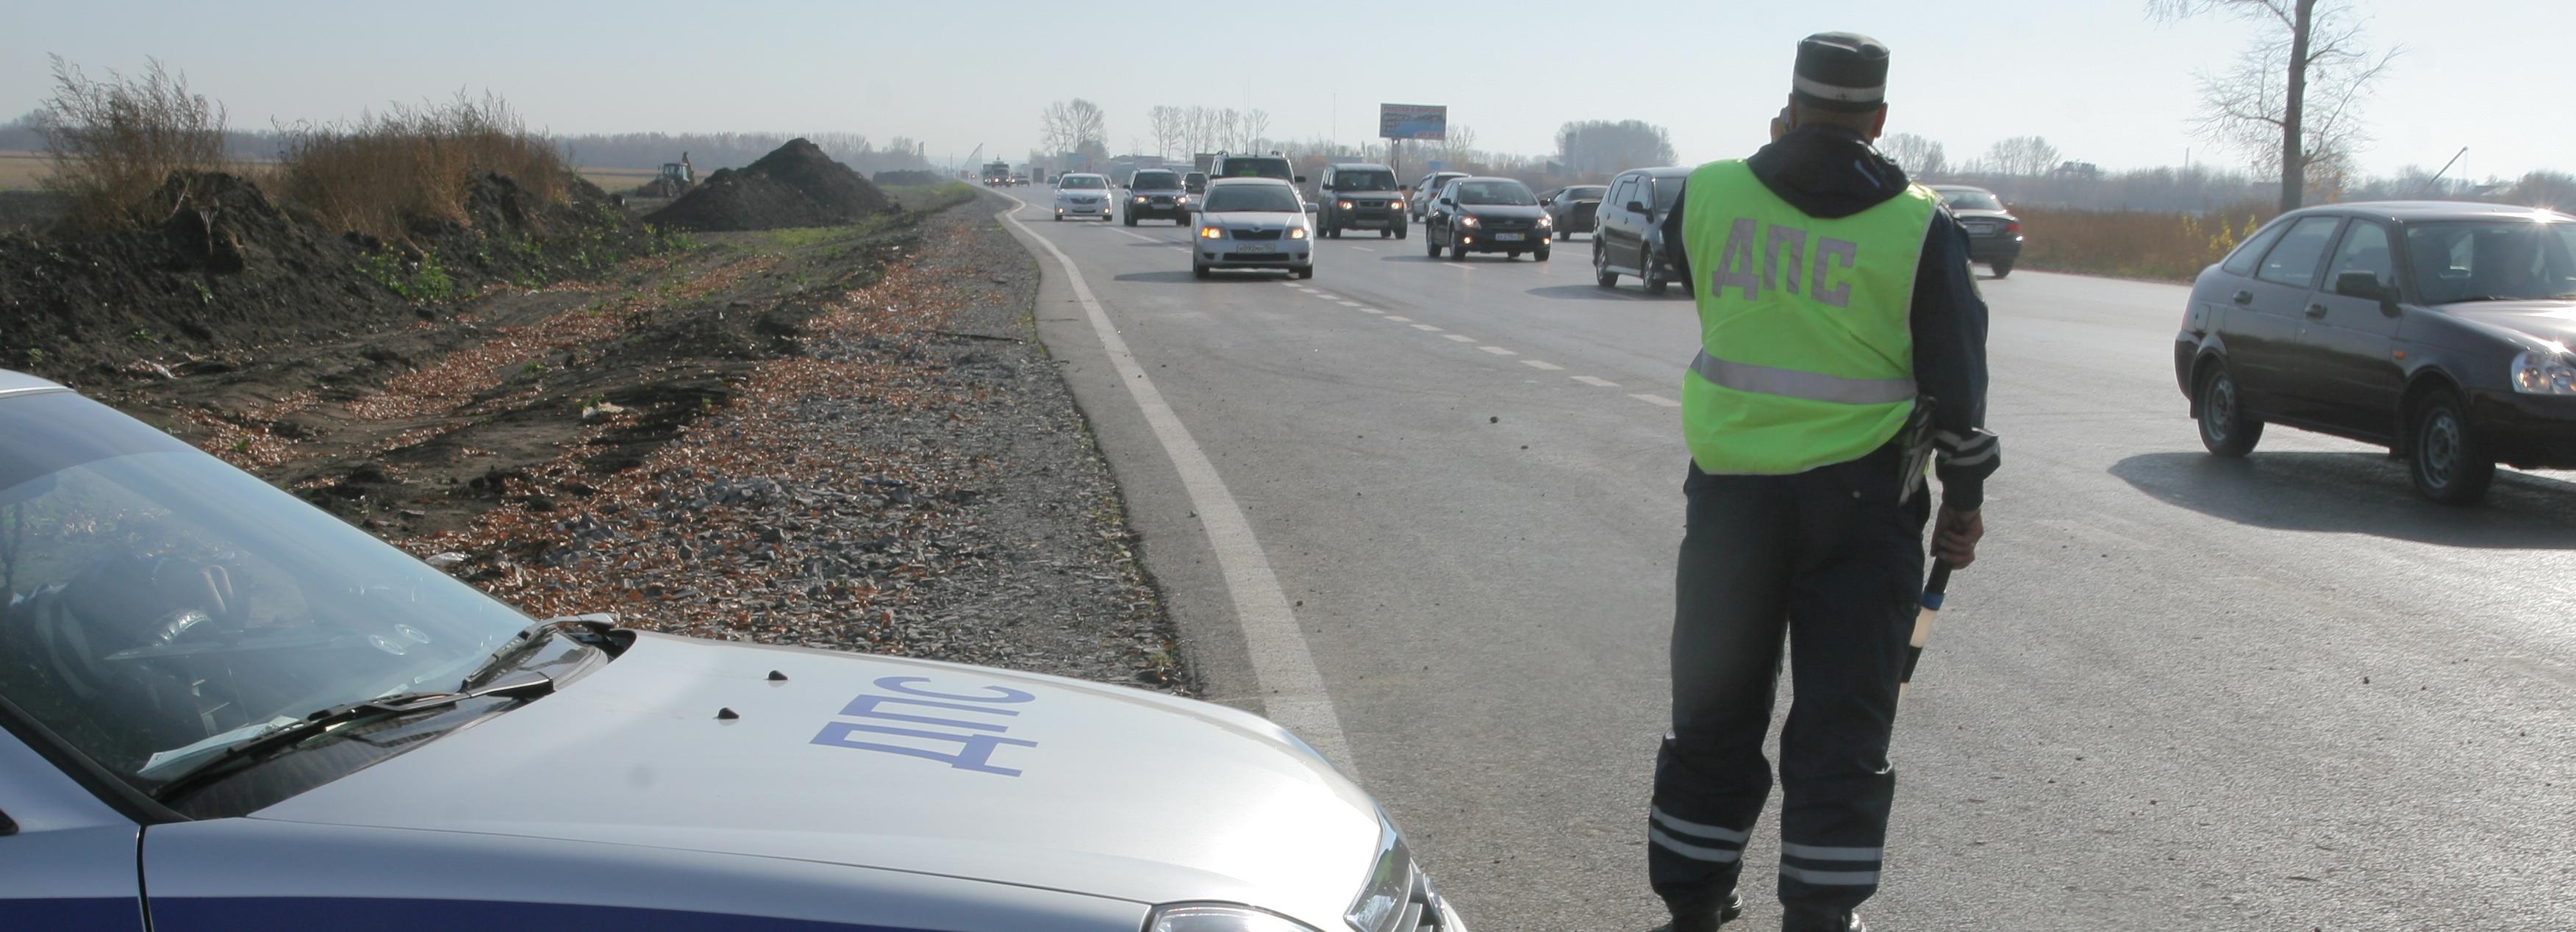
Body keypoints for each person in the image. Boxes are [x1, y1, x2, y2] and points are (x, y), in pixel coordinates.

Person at [1645, 32, 2000, 932]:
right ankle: (1821, 911)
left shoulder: (1713, 192)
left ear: (1790, 105)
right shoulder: (1922, 226)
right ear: (1880, 119)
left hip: (1730, 503)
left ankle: (1693, 899)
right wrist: (1963, 506)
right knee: (1845, 718)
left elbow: (1685, 265)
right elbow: (1960, 383)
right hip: (1862, 508)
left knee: (1716, 706)